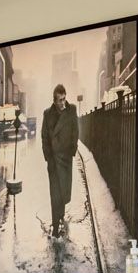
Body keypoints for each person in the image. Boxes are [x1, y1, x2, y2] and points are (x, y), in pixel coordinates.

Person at [39, 84, 81, 238]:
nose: (63, 103)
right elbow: (44, 136)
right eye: (60, 100)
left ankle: (61, 215)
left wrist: (72, 151)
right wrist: (48, 157)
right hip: (54, 160)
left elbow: (75, 132)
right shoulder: (47, 114)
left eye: (64, 99)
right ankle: (55, 224)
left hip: (66, 159)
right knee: (54, 193)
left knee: (64, 192)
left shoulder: (71, 110)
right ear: (54, 100)